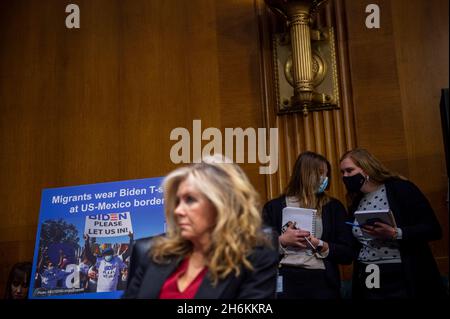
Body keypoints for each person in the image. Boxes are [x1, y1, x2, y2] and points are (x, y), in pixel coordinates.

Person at [123, 156, 278, 299]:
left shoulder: (255, 256)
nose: (178, 210)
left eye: (190, 200)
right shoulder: (156, 253)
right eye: (177, 201)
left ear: (221, 205)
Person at [339, 148, 446, 298]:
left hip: (402, 269)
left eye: (349, 170)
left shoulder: (400, 188)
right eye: (342, 172)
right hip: (371, 269)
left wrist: (396, 233)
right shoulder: (356, 201)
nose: (345, 176)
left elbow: (433, 229)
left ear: (366, 169)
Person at [263, 151, 353, 299]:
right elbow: (258, 251)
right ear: (304, 174)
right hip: (285, 279)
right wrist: (282, 241)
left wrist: (320, 244)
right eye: (320, 173)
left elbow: (347, 254)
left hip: (322, 281)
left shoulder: (333, 207)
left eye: (326, 174)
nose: (324, 179)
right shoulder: (274, 208)